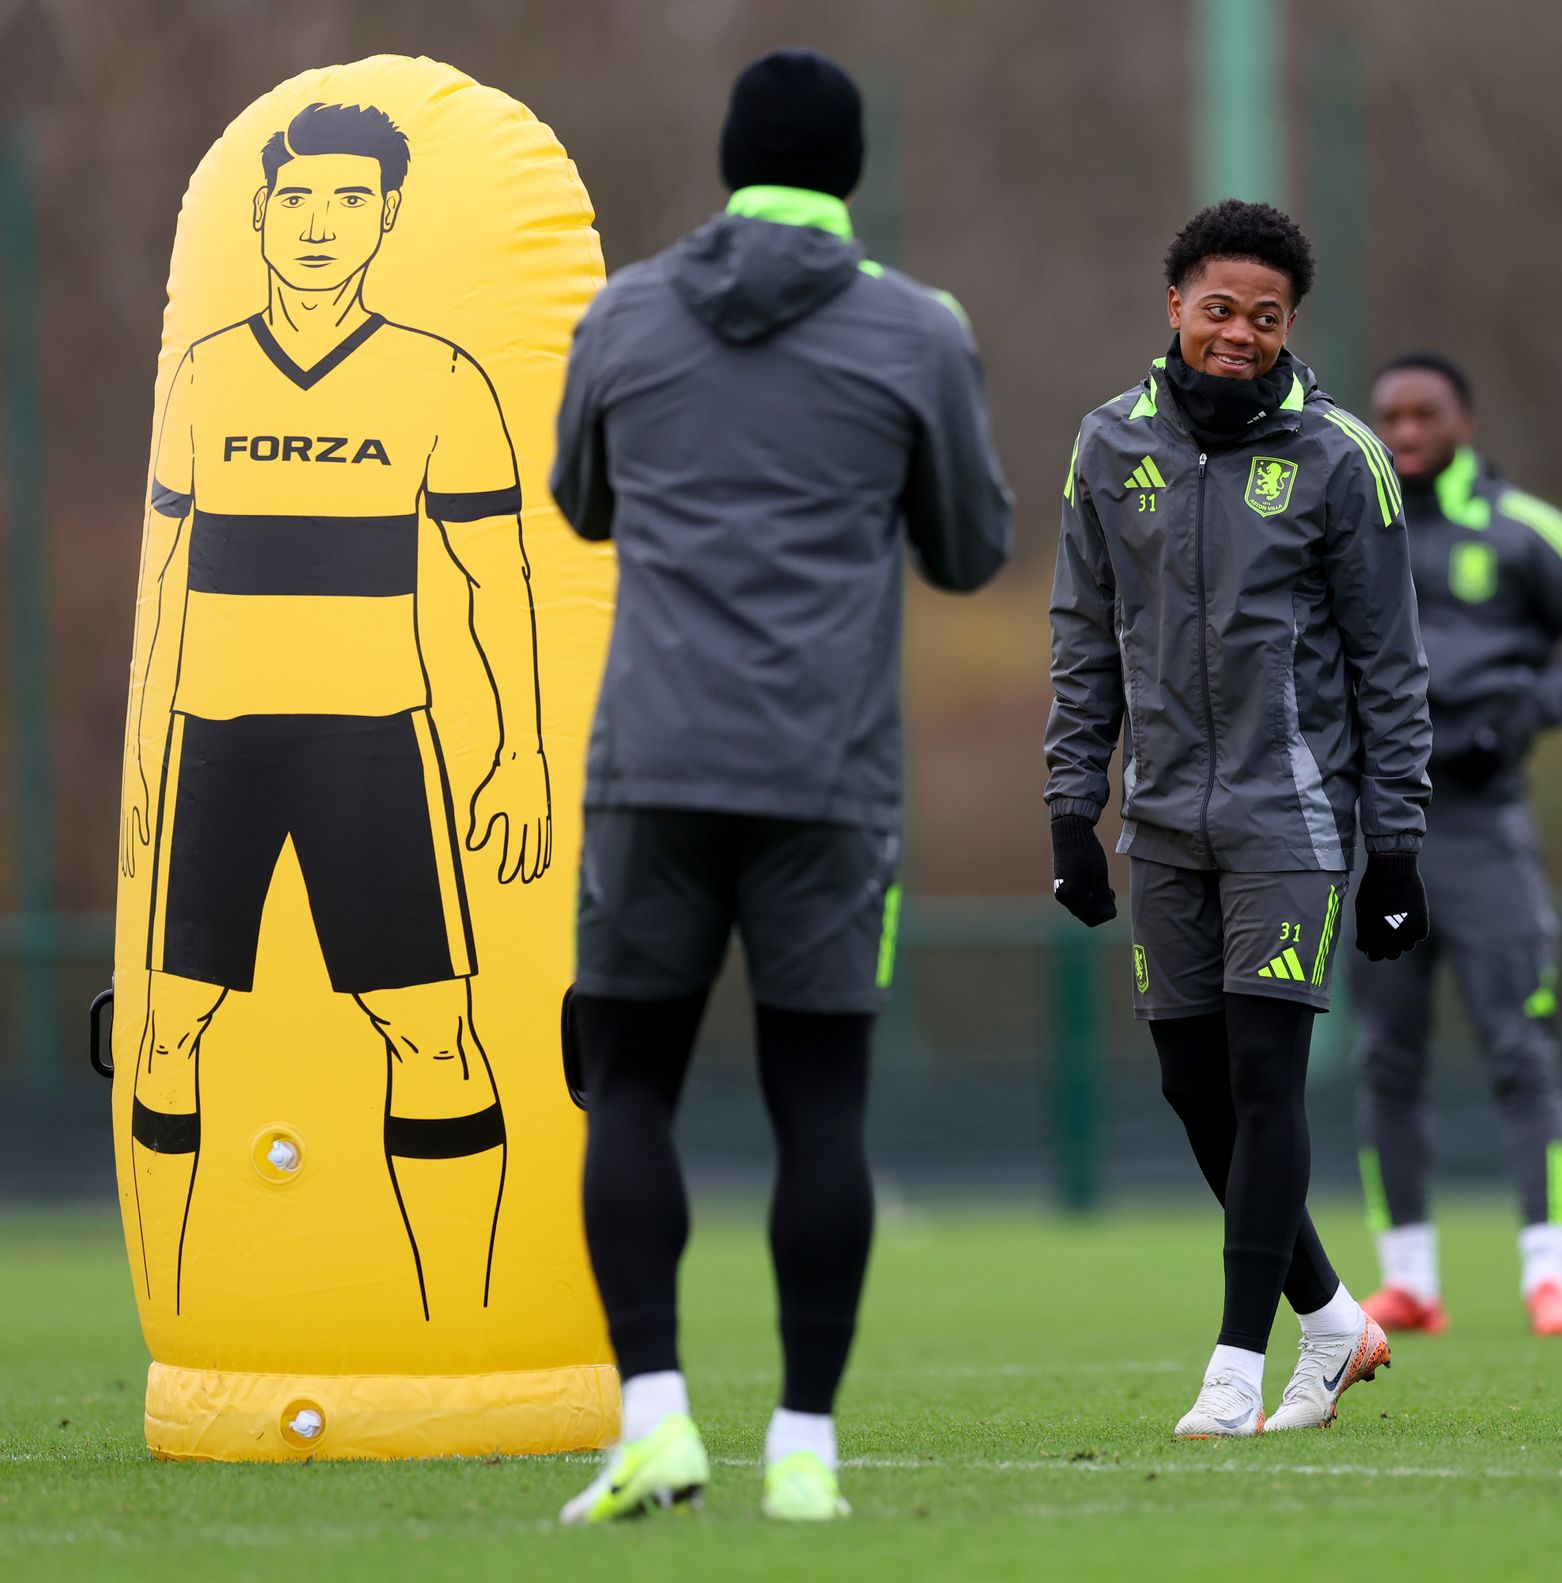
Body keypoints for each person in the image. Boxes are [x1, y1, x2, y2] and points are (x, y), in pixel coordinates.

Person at [550, 49, 1011, 1522]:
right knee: (822, 1105)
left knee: (628, 1083)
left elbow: (580, 500)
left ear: (727, 157)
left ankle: (657, 1421)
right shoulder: (914, 328)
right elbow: (967, 549)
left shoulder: (622, 310)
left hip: (654, 767)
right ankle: (804, 1444)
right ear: (852, 172)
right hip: (828, 780)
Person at [121, 102, 548, 1324]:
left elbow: (495, 578)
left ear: (387, 219)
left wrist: (517, 750)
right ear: (260, 212)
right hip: (215, 742)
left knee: (435, 1035)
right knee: (164, 1027)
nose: (321, 224)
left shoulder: (437, 376)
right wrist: (147, 749)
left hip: (374, 744)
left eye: (351, 201)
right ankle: (186, 1311)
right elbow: (157, 574)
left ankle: (456, 1325)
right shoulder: (206, 370)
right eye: (300, 198)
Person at [1046, 199, 1432, 1437]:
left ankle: (1235, 1361)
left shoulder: (1338, 456)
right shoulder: (1107, 446)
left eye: (1266, 317)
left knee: (1267, 1079)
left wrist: (1398, 840)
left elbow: (1389, 661)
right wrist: (1070, 803)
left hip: (1293, 819)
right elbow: (1079, 640)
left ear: (1289, 328)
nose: (1239, 333)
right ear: (1174, 307)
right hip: (1161, 824)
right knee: (1190, 1083)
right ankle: (1333, 1318)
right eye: (1219, 308)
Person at [1355, 352, 1562, 1337]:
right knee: (1384, 1057)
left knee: (1520, 1050)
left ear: (1463, 422)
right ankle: (1409, 1278)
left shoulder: (1525, 529)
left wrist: (1526, 714)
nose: (1401, 429)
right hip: (1377, 832)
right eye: (1388, 412)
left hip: (1485, 832)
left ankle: (1549, 1274)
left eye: (1422, 412)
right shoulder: (1350, 521)